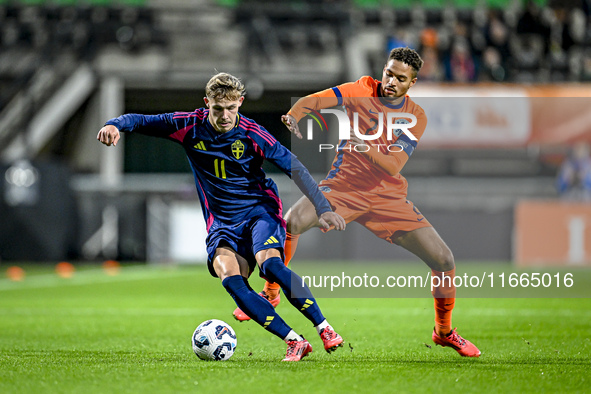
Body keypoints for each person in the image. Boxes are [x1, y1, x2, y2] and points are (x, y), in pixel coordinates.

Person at [233, 47, 481, 358]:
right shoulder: (361, 89)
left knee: (444, 260)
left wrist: (364, 147)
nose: (390, 81)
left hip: (387, 197)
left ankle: (443, 332)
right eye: (388, 73)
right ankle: (271, 293)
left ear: (412, 83)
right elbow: (317, 100)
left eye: (400, 78)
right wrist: (296, 115)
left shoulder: (415, 116)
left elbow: (392, 166)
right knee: (293, 221)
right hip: (342, 189)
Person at [97, 72, 346, 361]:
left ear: (240, 102)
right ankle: (294, 341)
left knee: (272, 266)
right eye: (218, 109)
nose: (225, 115)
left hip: (259, 212)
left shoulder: (253, 134)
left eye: (231, 108)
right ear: (207, 103)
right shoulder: (188, 125)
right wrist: (114, 124)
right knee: (230, 278)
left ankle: (324, 327)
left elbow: (296, 168)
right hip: (222, 223)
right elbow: (140, 120)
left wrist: (323, 208)